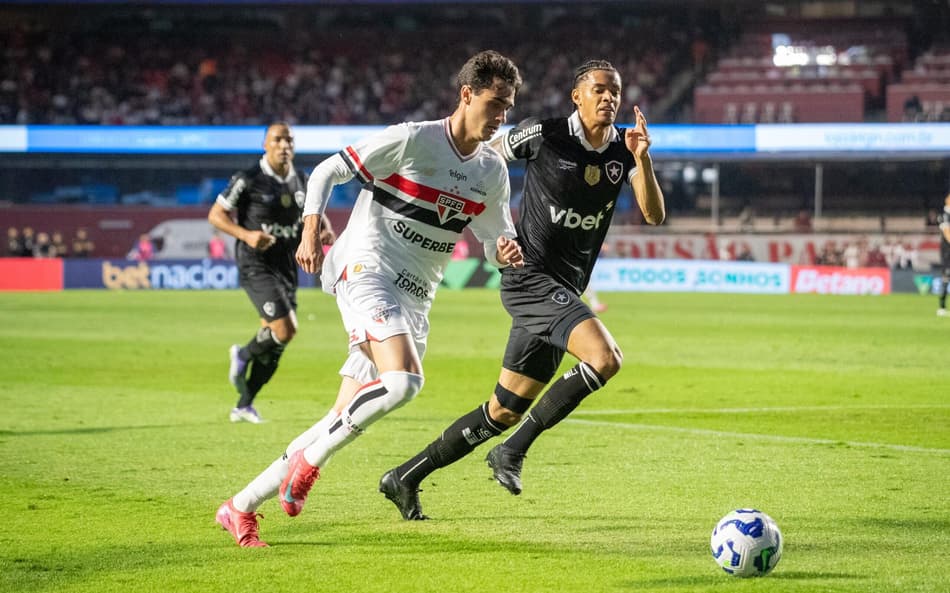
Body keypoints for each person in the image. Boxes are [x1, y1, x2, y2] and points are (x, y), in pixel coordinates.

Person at [215, 50, 525, 547]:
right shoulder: (412, 139)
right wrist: (312, 229)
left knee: (339, 417)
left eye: (509, 107)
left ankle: (240, 506)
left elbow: (493, 241)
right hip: (366, 268)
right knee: (403, 382)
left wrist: (503, 251)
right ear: (467, 95)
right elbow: (325, 173)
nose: (502, 116)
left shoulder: (491, 170)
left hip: (417, 296)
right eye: (496, 103)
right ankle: (308, 468)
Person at [380, 59, 665, 521]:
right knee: (605, 358)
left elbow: (653, 215)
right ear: (578, 96)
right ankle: (511, 453)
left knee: (504, 409)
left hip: (565, 291)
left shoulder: (622, 152)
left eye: (615, 91)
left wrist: (643, 159)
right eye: (599, 89)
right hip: (528, 277)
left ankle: (405, 476)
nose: (609, 98)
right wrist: (492, 228)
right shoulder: (545, 134)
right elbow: (484, 154)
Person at [208, 122, 335, 424]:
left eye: (289, 140)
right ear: (265, 144)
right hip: (256, 264)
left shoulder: (302, 180)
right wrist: (246, 235)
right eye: (277, 140)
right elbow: (216, 215)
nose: (284, 145)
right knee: (286, 329)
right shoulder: (248, 178)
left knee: (277, 342)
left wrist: (323, 230)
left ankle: (243, 404)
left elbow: (314, 214)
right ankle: (243, 355)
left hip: (286, 266)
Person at [937, 192, 950, 317]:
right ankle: (941, 307)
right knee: (946, 277)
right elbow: (947, 234)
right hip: (947, 252)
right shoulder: (944, 215)